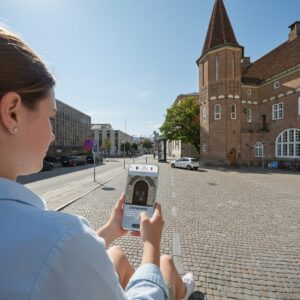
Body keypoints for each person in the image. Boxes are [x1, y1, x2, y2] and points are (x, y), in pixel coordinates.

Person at [0, 27, 195, 300]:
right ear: (12, 113)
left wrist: (109, 231)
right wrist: (151, 245)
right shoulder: (61, 236)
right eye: (51, 117)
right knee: (165, 263)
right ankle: (184, 291)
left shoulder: (60, 242)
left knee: (115, 254)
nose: (53, 132)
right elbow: (61, 253)